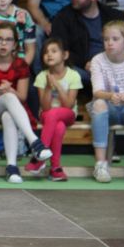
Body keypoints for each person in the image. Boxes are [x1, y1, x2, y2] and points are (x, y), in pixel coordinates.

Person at [0, 22, 51, 184]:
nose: (3, 43)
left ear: (15, 44)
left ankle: (12, 168)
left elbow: (22, 97)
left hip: (14, 109)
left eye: (8, 40)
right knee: (8, 98)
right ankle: (35, 142)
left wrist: (10, 90)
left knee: (9, 115)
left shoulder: (21, 65)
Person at [51, 0, 124, 91]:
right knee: (69, 73)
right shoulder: (63, 17)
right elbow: (60, 50)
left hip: (117, 66)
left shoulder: (114, 15)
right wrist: (85, 63)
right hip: (86, 69)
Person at [86, 20, 124, 184]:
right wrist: (110, 96)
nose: (109, 43)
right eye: (106, 39)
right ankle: (101, 164)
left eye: (115, 39)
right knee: (99, 103)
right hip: (109, 108)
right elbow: (97, 91)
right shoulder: (98, 60)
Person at [25, 37, 81, 182]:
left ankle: (39, 156)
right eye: (46, 52)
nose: (49, 54)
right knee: (58, 126)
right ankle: (55, 169)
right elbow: (45, 107)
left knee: (56, 115)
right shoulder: (41, 76)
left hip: (68, 114)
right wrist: (49, 87)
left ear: (65, 55)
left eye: (54, 51)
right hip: (46, 115)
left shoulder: (74, 75)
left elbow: (68, 105)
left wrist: (57, 85)